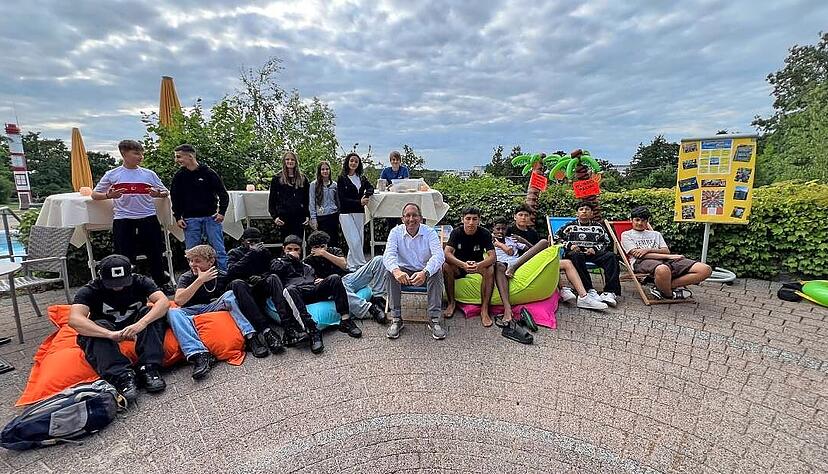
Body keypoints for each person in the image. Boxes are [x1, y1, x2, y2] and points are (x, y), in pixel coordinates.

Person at [168, 245, 281, 381]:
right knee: (173, 312)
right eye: (190, 261)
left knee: (230, 295)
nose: (192, 264)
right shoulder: (187, 277)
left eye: (197, 261)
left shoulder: (221, 275)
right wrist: (200, 280)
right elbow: (179, 300)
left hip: (213, 306)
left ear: (210, 262)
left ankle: (250, 336)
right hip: (192, 310)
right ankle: (199, 354)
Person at [69, 254, 168, 404]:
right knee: (90, 329)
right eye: (112, 283)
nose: (118, 287)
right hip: (108, 329)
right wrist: (109, 334)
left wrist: (141, 324)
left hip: (136, 325)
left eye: (122, 282)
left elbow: (164, 302)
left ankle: (149, 368)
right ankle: (122, 377)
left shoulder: (141, 281)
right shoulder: (89, 289)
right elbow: (74, 319)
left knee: (152, 314)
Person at [92, 140, 173, 293]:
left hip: (148, 216)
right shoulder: (112, 174)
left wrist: (158, 194)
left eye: (141, 153)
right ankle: (128, 286)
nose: (140, 157)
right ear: (124, 154)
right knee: (124, 254)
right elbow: (94, 194)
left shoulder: (149, 174)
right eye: (136, 153)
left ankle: (161, 283)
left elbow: (165, 192)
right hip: (123, 219)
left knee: (155, 251)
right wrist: (109, 195)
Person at [271, 235, 357, 354]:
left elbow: (320, 275)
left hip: (313, 290)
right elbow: (274, 271)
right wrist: (289, 258)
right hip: (298, 294)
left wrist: (322, 280)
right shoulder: (278, 263)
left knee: (335, 278)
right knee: (290, 289)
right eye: (289, 249)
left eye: (296, 250)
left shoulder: (307, 265)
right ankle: (312, 331)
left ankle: (346, 321)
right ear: (283, 249)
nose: (293, 252)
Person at [226, 227, 306, 346]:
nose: (253, 244)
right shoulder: (234, 253)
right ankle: (266, 330)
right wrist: (251, 254)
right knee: (237, 283)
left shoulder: (263, 252)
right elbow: (231, 272)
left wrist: (262, 277)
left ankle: (288, 326)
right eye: (250, 242)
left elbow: (271, 269)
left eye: (256, 241)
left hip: (259, 287)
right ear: (243, 240)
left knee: (273, 277)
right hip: (244, 289)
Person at [620, 206, 713, 300]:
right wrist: (670, 257)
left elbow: (665, 250)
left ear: (648, 221)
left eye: (643, 220)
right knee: (663, 269)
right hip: (641, 262)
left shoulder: (656, 234)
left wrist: (647, 249)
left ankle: (662, 287)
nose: (640, 223)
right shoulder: (626, 235)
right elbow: (639, 255)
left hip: (665, 260)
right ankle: (669, 294)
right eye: (637, 220)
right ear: (631, 220)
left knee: (705, 269)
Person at [383, 203, 446, 340]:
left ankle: (434, 319)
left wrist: (426, 272)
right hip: (404, 270)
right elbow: (388, 255)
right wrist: (396, 271)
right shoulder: (395, 232)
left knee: (436, 272)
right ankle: (396, 318)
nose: (411, 219)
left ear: (421, 218)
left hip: (423, 269)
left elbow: (439, 256)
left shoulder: (429, 232)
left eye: (415, 215)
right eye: (407, 215)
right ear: (402, 218)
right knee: (390, 273)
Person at [303, 230, 389, 325]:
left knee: (379, 260)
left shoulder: (334, 251)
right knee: (339, 287)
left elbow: (344, 265)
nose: (320, 249)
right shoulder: (308, 261)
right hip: (335, 286)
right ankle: (371, 309)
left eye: (322, 246)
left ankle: (377, 297)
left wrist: (324, 254)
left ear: (327, 245)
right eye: (316, 247)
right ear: (311, 248)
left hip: (349, 278)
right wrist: (326, 281)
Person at [170, 144, 230, 270]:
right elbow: (175, 198)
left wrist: (222, 212)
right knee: (192, 253)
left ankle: (224, 276)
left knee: (219, 250)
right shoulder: (179, 176)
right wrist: (178, 216)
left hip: (211, 218)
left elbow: (223, 193)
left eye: (179, 157)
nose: (177, 160)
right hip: (190, 219)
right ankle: (195, 278)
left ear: (190, 156)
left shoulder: (208, 173)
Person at [490, 216, 551, 335]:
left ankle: (514, 267)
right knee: (499, 266)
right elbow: (509, 251)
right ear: (493, 229)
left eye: (503, 228)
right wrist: (498, 244)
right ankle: (508, 309)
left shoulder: (511, 239)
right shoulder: (489, 240)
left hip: (519, 265)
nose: (501, 231)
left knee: (544, 242)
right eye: (498, 229)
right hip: (502, 266)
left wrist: (522, 240)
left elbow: (532, 250)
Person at [555, 201, 621, 307]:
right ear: (577, 213)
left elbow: (606, 242)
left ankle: (609, 292)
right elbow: (556, 238)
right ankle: (589, 289)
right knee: (577, 256)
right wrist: (570, 246)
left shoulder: (598, 227)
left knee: (611, 256)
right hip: (575, 253)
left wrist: (595, 248)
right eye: (581, 209)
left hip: (592, 253)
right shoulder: (569, 226)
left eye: (587, 209)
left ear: (591, 213)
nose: (584, 211)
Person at [443, 207, 496, 326]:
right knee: (446, 266)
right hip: (460, 265)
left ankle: (484, 309)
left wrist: (479, 264)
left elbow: (492, 257)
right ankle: (451, 303)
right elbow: (446, 253)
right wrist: (462, 264)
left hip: (477, 265)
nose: (471, 222)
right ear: (462, 220)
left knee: (490, 268)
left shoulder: (484, 233)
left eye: (474, 219)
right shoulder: (456, 232)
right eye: (468, 219)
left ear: (479, 220)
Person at [337, 152, 374, 270]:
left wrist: (367, 195)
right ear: (347, 162)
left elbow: (370, 187)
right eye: (351, 161)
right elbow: (342, 199)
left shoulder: (361, 178)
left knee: (359, 239)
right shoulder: (341, 178)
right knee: (353, 239)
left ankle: (352, 265)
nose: (353, 163)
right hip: (345, 212)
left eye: (356, 161)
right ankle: (362, 264)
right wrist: (359, 202)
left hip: (359, 212)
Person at [268, 151, 310, 241]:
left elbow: (307, 199)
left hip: (299, 217)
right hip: (284, 218)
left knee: (298, 244)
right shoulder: (276, 179)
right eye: (287, 159)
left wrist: (307, 215)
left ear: (296, 162)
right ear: (284, 161)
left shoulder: (303, 179)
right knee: (286, 244)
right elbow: (272, 200)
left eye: (292, 159)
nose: (290, 161)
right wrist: (275, 217)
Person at [308, 161, 340, 247]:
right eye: (322, 169)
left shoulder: (334, 185)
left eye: (327, 169)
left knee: (333, 241)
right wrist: (313, 218)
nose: (325, 171)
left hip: (333, 216)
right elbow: (312, 203)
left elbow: (337, 201)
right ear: (319, 171)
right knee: (322, 243)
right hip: (321, 217)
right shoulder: (313, 185)